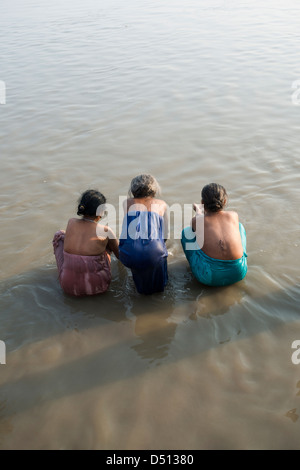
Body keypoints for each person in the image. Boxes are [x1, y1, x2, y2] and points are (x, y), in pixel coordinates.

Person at [52, 189, 119, 296]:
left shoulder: (71, 222)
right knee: (106, 245)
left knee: (59, 235)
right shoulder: (106, 230)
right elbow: (120, 255)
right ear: (101, 213)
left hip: (69, 288)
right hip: (99, 286)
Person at [181, 183, 247, 286]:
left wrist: (198, 211)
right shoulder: (233, 215)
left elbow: (200, 222)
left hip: (209, 278)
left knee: (186, 232)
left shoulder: (196, 221)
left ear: (202, 202)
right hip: (239, 273)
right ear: (224, 201)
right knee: (239, 226)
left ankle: (195, 267)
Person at [119, 174, 168, 295]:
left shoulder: (127, 203)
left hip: (128, 253)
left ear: (133, 190)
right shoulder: (162, 204)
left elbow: (126, 231)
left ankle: (139, 288)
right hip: (154, 253)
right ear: (154, 189)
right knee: (159, 253)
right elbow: (165, 235)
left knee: (138, 260)